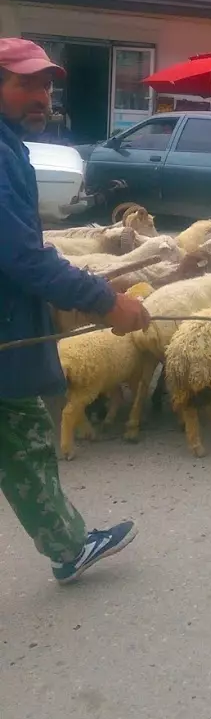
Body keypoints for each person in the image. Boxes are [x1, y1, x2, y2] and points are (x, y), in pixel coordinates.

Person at [0, 38, 150, 585]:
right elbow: (18, 254)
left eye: (45, 84)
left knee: (23, 442)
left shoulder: (11, 146)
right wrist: (106, 301)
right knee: (22, 439)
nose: (41, 95)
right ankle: (67, 546)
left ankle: (68, 546)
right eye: (25, 83)